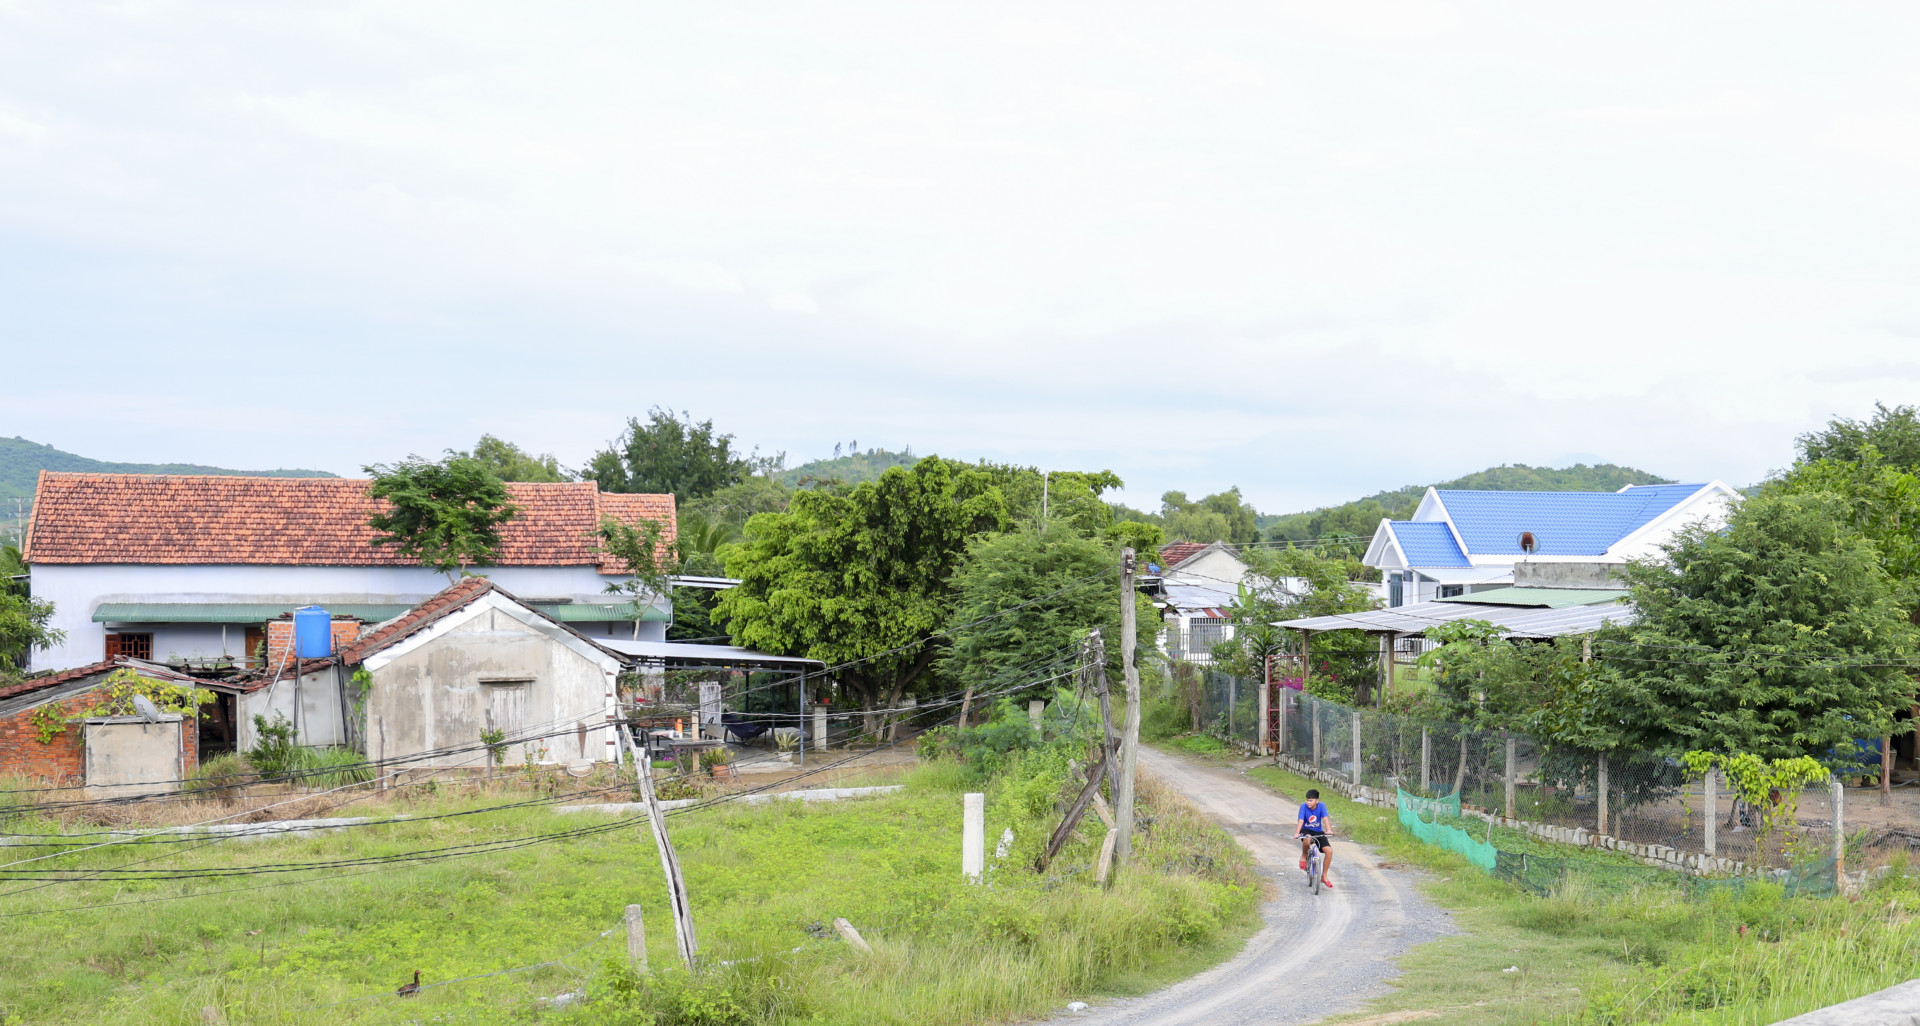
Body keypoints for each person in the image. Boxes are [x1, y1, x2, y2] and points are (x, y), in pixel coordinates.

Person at [1295, 788, 1333, 889]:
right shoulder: (1303, 807)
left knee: (1329, 851)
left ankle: (1324, 876)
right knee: (1307, 840)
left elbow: (1325, 819)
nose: (1308, 802)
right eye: (1307, 800)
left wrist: (1328, 830)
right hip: (1306, 830)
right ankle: (1304, 856)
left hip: (1318, 831)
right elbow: (1301, 821)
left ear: (1317, 800)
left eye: (1311, 800)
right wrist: (1297, 833)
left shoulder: (1322, 806)